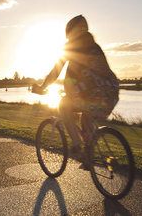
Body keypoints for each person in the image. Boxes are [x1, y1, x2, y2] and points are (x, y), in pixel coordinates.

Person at [32, 15, 120, 160]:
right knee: (86, 117)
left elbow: (56, 71)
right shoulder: (94, 46)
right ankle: (89, 154)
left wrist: (42, 87)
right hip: (111, 94)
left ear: (69, 32)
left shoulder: (71, 46)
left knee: (64, 106)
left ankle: (77, 143)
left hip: (92, 93)